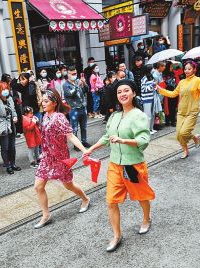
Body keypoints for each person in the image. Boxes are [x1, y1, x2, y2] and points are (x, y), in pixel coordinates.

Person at [86, 79, 155, 252]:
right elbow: (107, 137)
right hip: (115, 165)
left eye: (126, 91)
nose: (122, 94)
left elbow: (143, 140)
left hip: (133, 165)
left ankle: (147, 218)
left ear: (134, 93)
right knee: (110, 201)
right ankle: (117, 235)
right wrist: (91, 149)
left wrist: (123, 140)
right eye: (119, 92)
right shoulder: (115, 116)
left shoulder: (139, 115)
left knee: (141, 197)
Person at [33, 89, 90, 229]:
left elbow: (71, 136)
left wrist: (85, 151)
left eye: (46, 101)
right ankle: (46, 215)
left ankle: (85, 199)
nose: (42, 103)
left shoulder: (59, 117)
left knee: (68, 185)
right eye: (42, 100)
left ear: (54, 102)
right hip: (47, 158)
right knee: (38, 186)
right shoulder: (44, 116)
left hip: (60, 159)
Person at [157, 61, 200, 159]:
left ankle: (193, 137)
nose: (187, 71)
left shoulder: (198, 80)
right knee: (178, 135)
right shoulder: (182, 82)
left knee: (184, 133)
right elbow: (173, 94)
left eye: (189, 69)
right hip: (181, 112)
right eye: (185, 69)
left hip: (192, 111)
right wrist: (159, 89)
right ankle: (186, 148)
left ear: (194, 69)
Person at [63, 66, 91, 150]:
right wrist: (77, 86)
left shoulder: (78, 81)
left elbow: (87, 90)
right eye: (73, 74)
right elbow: (70, 94)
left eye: (75, 73)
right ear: (68, 74)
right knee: (74, 128)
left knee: (84, 126)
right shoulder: (66, 85)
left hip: (83, 107)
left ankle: (84, 141)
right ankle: (76, 144)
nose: (75, 75)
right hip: (74, 109)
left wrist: (84, 83)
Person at [141, 65, 158, 134]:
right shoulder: (144, 78)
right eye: (152, 69)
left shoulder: (151, 77)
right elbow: (143, 89)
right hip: (146, 99)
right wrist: (152, 85)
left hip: (152, 97)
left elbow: (152, 87)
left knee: (152, 114)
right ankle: (147, 130)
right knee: (147, 115)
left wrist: (154, 85)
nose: (153, 70)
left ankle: (151, 128)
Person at [163, 61, 179, 127]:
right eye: (171, 66)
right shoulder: (164, 74)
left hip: (174, 91)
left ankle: (173, 120)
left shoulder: (173, 72)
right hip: (168, 92)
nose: (172, 67)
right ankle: (168, 121)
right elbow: (164, 82)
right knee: (168, 107)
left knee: (174, 107)